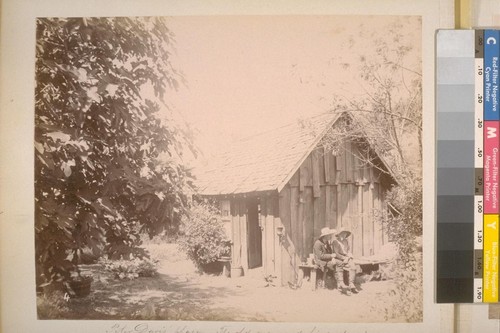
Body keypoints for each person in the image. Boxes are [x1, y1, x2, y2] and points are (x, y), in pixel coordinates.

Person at [332, 228, 358, 295]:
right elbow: (336, 253)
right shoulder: (335, 242)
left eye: (345, 233)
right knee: (339, 267)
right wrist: (344, 258)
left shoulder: (346, 241)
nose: (344, 235)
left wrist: (349, 257)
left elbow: (348, 251)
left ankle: (351, 283)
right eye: (342, 233)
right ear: (339, 234)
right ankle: (341, 286)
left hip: (346, 257)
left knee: (353, 267)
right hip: (338, 258)